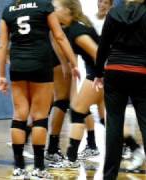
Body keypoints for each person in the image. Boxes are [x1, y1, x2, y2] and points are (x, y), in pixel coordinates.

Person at [0, 0, 79, 178]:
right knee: (39, 117)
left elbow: (3, 45)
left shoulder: (7, 10)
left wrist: (1, 75)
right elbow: (59, 36)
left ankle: (19, 168)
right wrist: (73, 63)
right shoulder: (43, 5)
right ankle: (39, 169)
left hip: (17, 65)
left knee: (19, 115)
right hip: (41, 64)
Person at [93, 0, 146, 179]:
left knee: (114, 125)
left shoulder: (113, 13)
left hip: (115, 71)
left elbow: (103, 45)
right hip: (142, 72)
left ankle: (109, 176)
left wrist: (98, 72)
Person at [47, 0, 103, 168]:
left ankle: (71, 157)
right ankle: (75, 154)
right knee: (88, 112)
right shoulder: (69, 27)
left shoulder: (77, 30)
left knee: (77, 110)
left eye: (56, 7)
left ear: (67, 10)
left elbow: (99, 55)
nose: (52, 10)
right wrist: (66, 64)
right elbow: (55, 38)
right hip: (100, 73)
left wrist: (102, 76)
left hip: (102, 74)